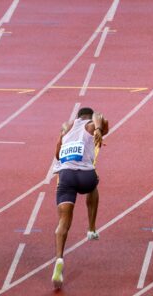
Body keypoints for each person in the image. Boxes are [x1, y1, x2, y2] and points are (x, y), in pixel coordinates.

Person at [50, 107, 108, 289]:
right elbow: (100, 116)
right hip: (85, 175)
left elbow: (57, 153)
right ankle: (91, 228)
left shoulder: (66, 128)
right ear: (88, 118)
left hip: (66, 176)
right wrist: (98, 130)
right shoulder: (90, 124)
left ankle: (59, 258)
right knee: (93, 185)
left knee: (63, 223)